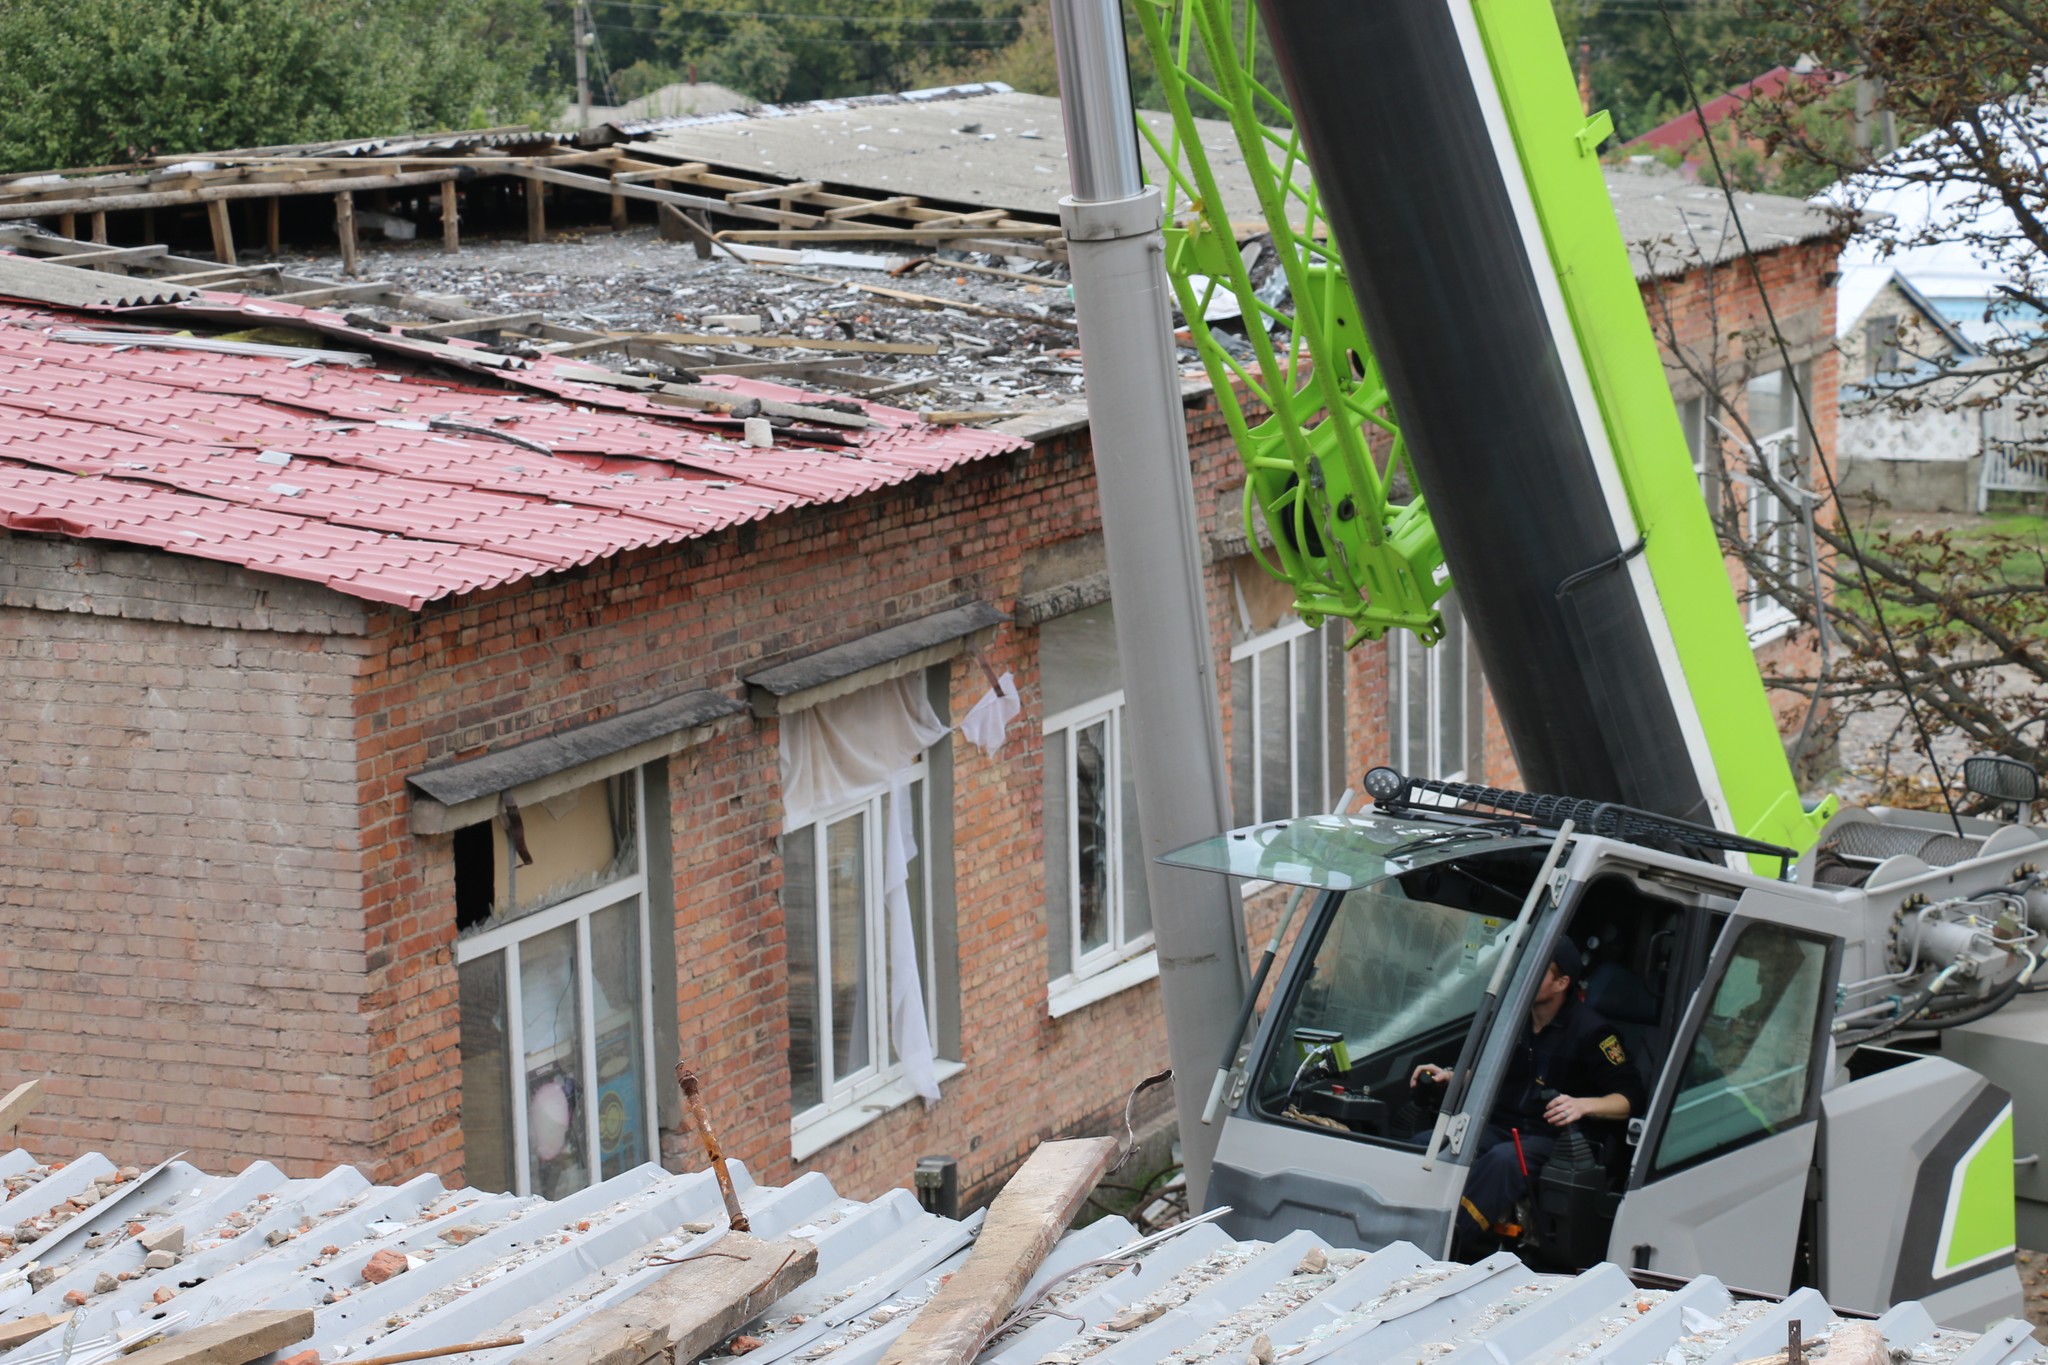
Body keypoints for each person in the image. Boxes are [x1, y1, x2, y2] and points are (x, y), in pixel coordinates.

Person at [1409, 938, 1645, 1253]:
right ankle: (1402, 1223)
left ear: (1562, 983)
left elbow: (1631, 1099)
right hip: (1501, 1127)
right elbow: (1489, 1075)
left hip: (1555, 1139)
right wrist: (1449, 1077)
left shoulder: (1593, 1033)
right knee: (1427, 1142)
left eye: (1539, 969)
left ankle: (1441, 1243)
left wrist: (1583, 1105)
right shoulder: (1511, 1021)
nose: (1526, 974)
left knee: (1503, 1161)